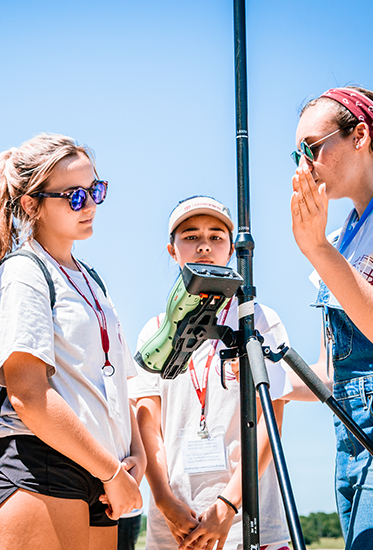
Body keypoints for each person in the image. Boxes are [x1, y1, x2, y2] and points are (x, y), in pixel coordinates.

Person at [0, 133, 144, 550]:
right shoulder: (23, 272)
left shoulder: (92, 280)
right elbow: (28, 396)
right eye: (73, 196)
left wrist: (134, 456)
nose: (89, 205)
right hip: (42, 465)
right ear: (31, 204)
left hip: (102, 471)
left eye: (95, 190)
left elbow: (118, 388)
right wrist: (111, 472)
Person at [129, 195, 292, 550]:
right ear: (172, 250)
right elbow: (147, 422)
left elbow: (272, 418)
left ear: (232, 249)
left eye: (216, 237)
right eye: (190, 236)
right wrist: (164, 501)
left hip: (251, 520)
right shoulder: (154, 333)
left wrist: (229, 505)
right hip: (175, 524)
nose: (204, 246)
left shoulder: (258, 319)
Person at [289, 86, 373, 550]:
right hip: (349, 432)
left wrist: (318, 251)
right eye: (296, 154)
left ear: (359, 136)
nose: (303, 165)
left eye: (312, 148)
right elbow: (330, 375)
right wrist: (266, 379)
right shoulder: (340, 235)